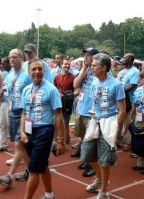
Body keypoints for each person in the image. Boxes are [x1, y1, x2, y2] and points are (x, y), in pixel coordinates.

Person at [81, 53, 126, 199]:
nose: (91, 68)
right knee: (87, 154)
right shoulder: (93, 81)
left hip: (109, 123)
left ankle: (104, 191)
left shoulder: (116, 84)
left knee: (104, 160)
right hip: (94, 121)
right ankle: (99, 179)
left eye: (94, 66)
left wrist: (118, 130)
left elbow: (122, 110)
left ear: (104, 68)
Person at [20, 58, 66, 199]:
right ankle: (49, 194)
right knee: (42, 165)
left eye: (40, 69)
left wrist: (61, 140)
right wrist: (22, 131)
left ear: (44, 71)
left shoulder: (51, 90)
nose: (37, 72)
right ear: (29, 72)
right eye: (34, 69)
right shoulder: (26, 90)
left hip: (44, 131)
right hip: (28, 131)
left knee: (33, 169)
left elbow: (58, 116)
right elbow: (24, 113)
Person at [0, 49, 32, 186]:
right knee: (22, 146)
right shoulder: (10, 74)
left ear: (21, 58)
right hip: (12, 111)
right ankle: (31, 169)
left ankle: (9, 175)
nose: (11, 59)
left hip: (24, 113)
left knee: (19, 144)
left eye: (14, 57)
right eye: (10, 57)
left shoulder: (27, 75)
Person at [72, 47, 100, 177]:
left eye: (88, 55)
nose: (85, 58)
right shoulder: (86, 70)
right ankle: (86, 161)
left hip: (92, 112)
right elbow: (75, 85)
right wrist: (84, 68)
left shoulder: (100, 71)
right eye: (85, 55)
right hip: (81, 109)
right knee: (82, 137)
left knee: (91, 140)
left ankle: (92, 165)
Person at [117, 53, 140, 152]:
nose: (123, 59)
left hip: (129, 100)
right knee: (119, 121)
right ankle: (118, 140)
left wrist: (120, 92)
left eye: (125, 58)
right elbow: (117, 84)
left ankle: (127, 142)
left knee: (127, 122)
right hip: (120, 99)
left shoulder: (135, 71)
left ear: (130, 59)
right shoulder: (122, 71)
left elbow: (132, 85)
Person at [54, 58, 76, 144]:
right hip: (58, 103)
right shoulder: (57, 77)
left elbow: (75, 91)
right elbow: (55, 88)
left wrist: (67, 95)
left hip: (67, 104)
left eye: (68, 64)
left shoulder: (73, 77)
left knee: (66, 123)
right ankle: (55, 140)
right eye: (65, 64)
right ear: (61, 65)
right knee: (56, 122)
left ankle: (66, 141)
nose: (67, 66)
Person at [0, 56, 12, 152]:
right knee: (2, 123)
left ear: (9, 63)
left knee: (10, 124)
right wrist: (1, 92)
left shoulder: (14, 73)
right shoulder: (4, 73)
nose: (2, 65)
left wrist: (4, 93)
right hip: (3, 101)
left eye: (4, 63)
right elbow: (4, 86)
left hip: (11, 102)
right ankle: (3, 144)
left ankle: (22, 148)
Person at [129, 69, 144, 174]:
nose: (141, 80)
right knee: (139, 139)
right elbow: (134, 104)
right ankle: (140, 163)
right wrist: (131, 116)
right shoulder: (139, 90)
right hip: (139, 118)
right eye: (141, 78)